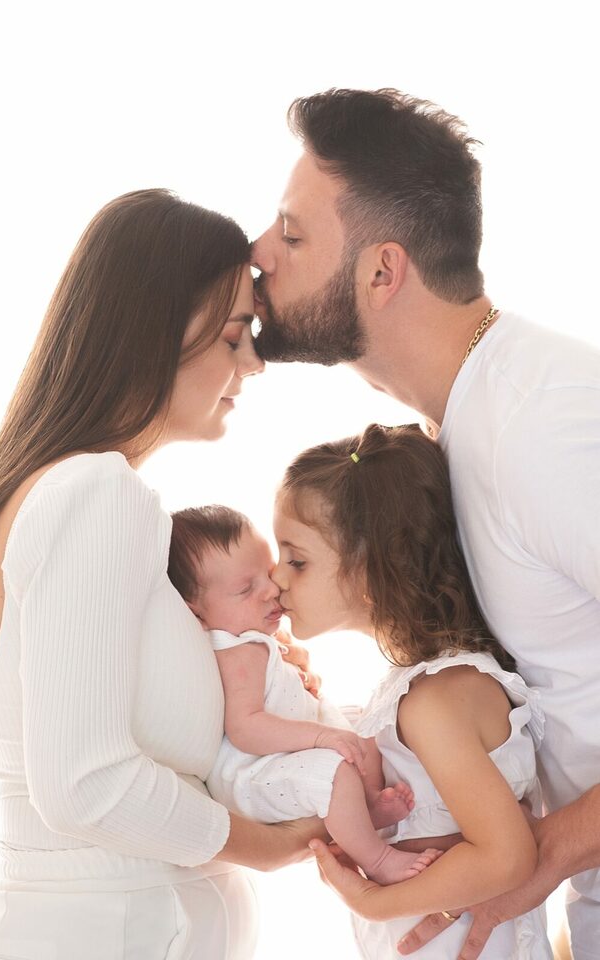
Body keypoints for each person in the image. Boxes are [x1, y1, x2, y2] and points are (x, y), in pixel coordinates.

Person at [251, 88, 600, 960]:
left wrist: (534, 858)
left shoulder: (544, 427)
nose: (258, 253)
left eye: (292, 234)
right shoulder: (461, 434)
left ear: (383, 271)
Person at [0, 188, 326, 960]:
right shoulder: (97, 491)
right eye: (234, 336)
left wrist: (243, 677)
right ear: (155, 330)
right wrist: (270, 845)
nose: (253, 363)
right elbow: (85, 782)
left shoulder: (44, 492)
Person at [273, 422, 552, 959]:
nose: (276, 578)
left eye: (297, 560)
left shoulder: (435, 700)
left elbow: (507, 857)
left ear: (371, 570)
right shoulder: (414, 690)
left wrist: (373, 902)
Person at [168, 504, 441, 886]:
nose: (271, 590)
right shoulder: (235, 652)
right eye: (246, 589)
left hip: (287, 752)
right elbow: (246, 729)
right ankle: (377, 858)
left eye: (267, 573)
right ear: (196, 614)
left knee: (368, 724)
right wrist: (322, 736)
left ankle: (366, 806)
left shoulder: (252, 637)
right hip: (254, 774)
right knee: (335, 772)